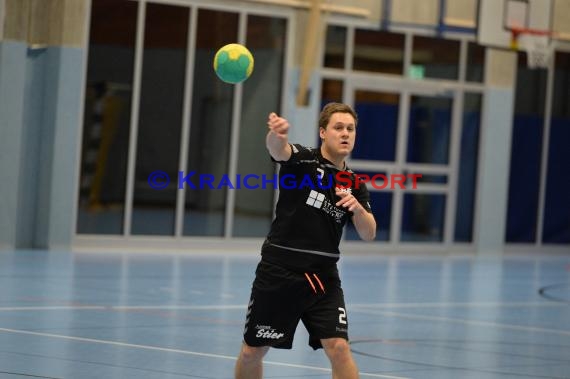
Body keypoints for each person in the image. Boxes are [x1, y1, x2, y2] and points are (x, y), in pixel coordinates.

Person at [234, 102, 377, 379]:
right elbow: (278, 150)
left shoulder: (355, 184)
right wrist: (277, 134)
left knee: (339, 348)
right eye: (338, 127)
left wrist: (358, 209)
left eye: (350, 129)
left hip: (323, 277)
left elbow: (369, 233)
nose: (345, 133)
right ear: (323, 132)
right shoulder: (303, 161)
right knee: (253, 351)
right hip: (279, 271)